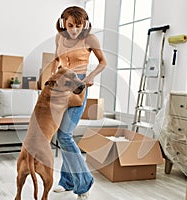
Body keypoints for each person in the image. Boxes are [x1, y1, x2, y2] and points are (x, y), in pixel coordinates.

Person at [51, 6, 107, 200]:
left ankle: (84, 183)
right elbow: (56, 59)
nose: (74, 29)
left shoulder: (90, 39)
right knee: (63, 134)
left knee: (64, 134)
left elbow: (103, 62)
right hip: (60, 85)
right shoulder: (59, 38)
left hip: (78, 86)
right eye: (70, 25)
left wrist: (89, 77)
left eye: (79, 25)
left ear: (85, 24)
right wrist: (51, 78)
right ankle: (66, 182)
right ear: (63, 23)